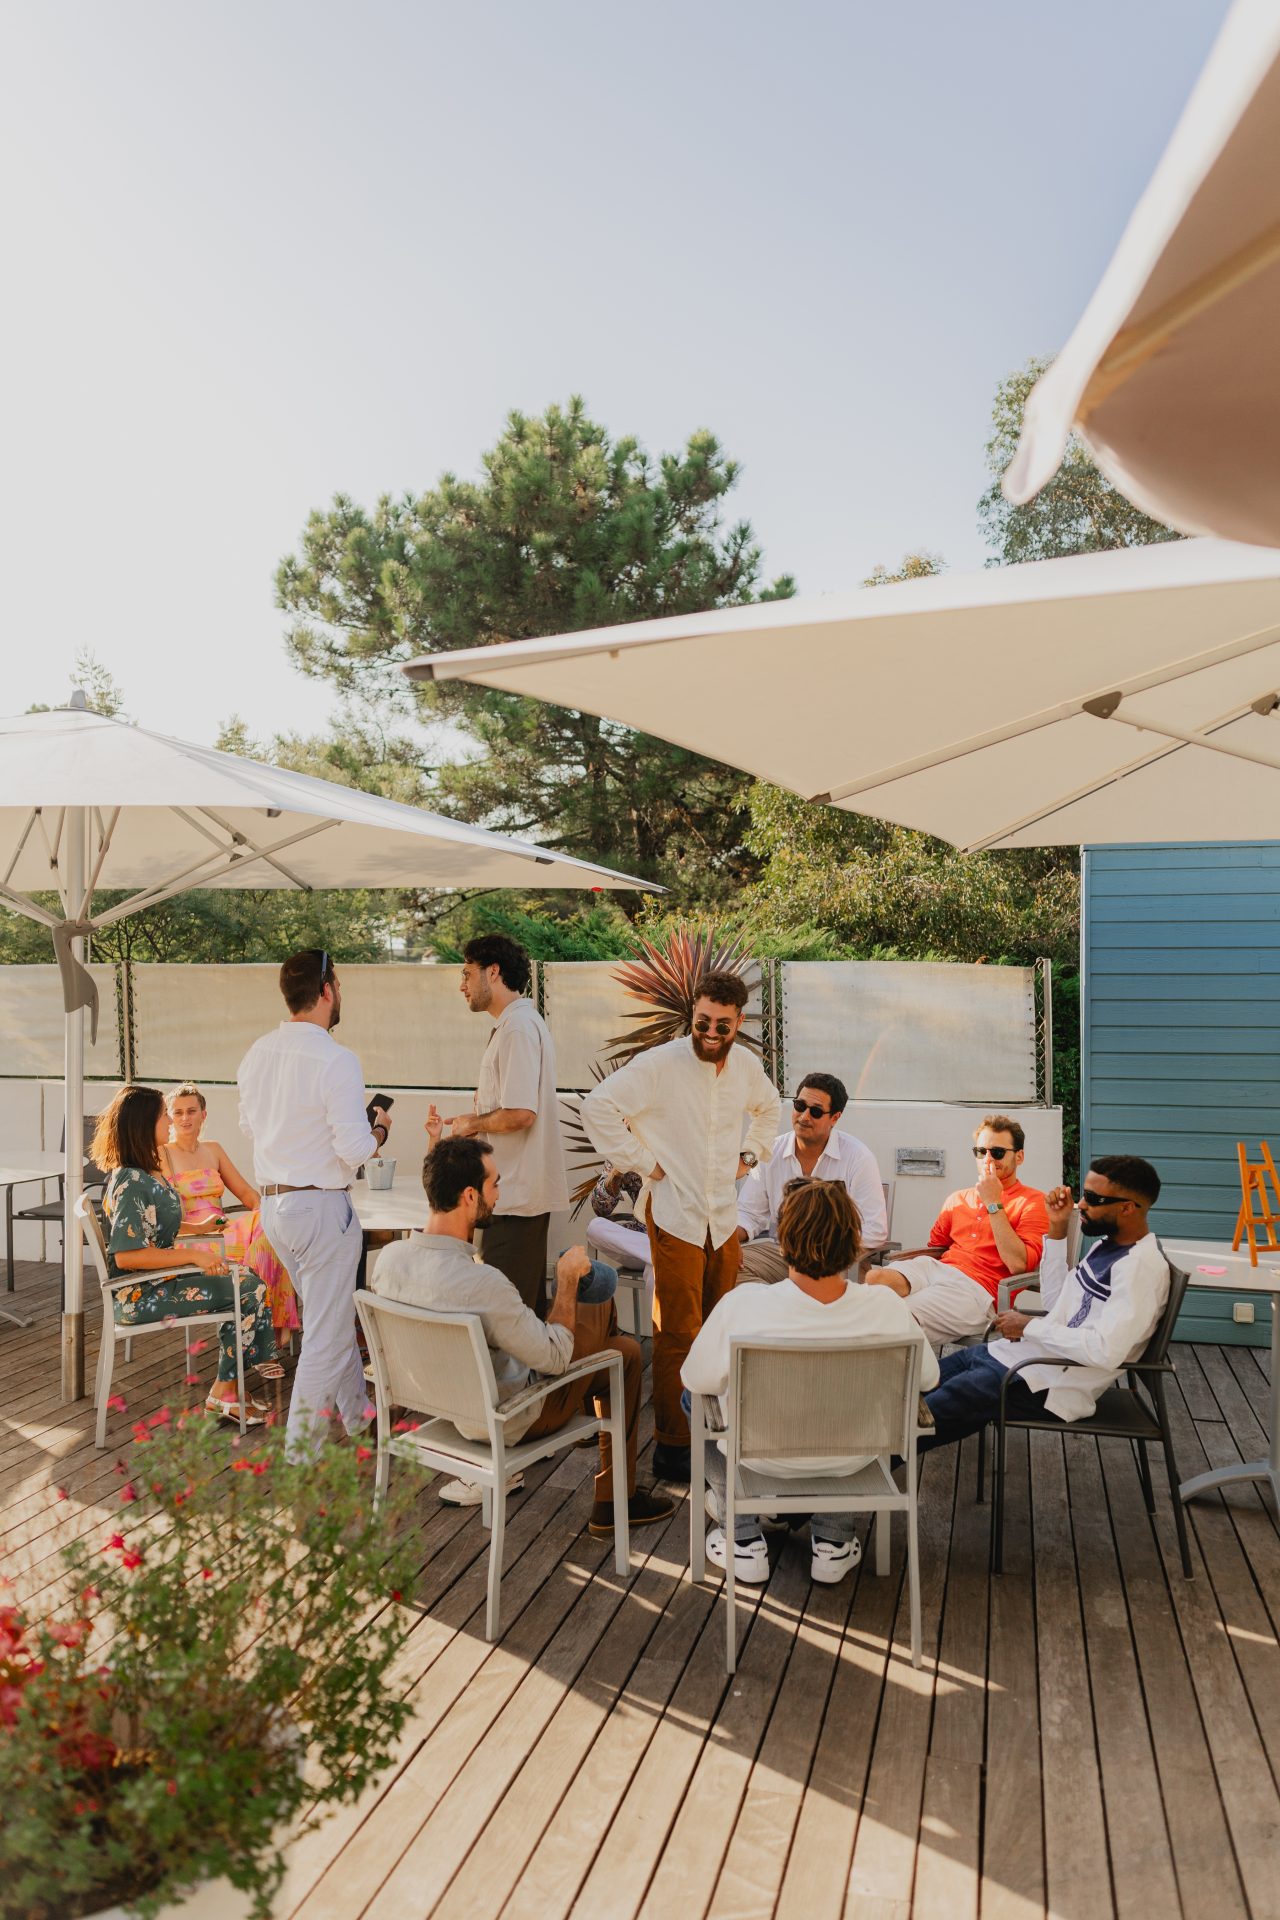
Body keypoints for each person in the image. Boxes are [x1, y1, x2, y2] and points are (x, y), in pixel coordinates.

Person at [371, 1135, 675, 1533]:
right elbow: (553, 1357)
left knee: (617, 1342)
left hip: (448, 1408)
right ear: (468, 1196)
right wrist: (565, 1282)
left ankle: (600, 1437)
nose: (499, 1193)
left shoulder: (388, 1263)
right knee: (613, 1329)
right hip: (510, 1419)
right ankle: (614, 1501)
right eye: (494, 1183)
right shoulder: (483, 1284)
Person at [683, 1179, 938, 1586]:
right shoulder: (886, 1307)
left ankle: (742, 1536)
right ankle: (835, 1538)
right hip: (853, 1459)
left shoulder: (745, 1305)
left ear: (783, 1243)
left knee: (693, 1399)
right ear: (854, 1245)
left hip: (760, 1458)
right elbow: (929, 1377)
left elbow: (696, 1378)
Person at [580, 970, 782, 1482]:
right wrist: (643, 1162)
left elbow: (769, 1108)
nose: (711, 1034)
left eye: (723, 1026)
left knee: (719, 1326)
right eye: (703, 1023)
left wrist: (749, 1155)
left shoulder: (746, 1068)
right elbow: (597, 1107)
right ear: (692, 1015)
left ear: (738, 1023)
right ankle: (673, 1447)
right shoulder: (659, 1064)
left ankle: (714, 1431)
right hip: (675, 1218)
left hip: (723, 1219)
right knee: (676, 1334)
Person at [237, 949, 392, 1457]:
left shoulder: (256, 1053)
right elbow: (353, 1149)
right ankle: (298, 1454)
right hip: (322, 1210)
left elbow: (249, 1127)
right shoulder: (336, 1058)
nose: (340, 994)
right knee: (324, 1335)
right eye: (340, 986)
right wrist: (380, 1131)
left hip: (275, 1209)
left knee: (330, 1318)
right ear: (326, 990)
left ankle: (362, 1420)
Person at [919, 1156, 1169, 1449]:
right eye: (1083, 1194)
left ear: (1128, 1208)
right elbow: (1056, 1303)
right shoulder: (1108, 1247)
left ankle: (873, 1471)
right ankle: (871, 1457)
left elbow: (1105, 1351)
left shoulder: (1140, 1268)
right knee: (915, 1387)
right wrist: (1057, 1229)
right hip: (1018, 1359)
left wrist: (1029, 1327)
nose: (1081, 1205)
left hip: (1048, 1384)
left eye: (1092, 1198)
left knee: (928, 1415)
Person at [93, 1083, 280, 1425]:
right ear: (143, 1123)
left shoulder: (146, 1172)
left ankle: (231, 1388)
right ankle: (224, 1393)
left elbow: (156, 1229)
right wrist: (194, 1257)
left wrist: (195, 1232)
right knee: (248, 1290)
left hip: (160, 1280)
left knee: (244, 1277)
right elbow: (127, 1257)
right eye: (164, 1114)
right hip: (140, 1293)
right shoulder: (131, 1181)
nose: (170, 1120)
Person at [434, 933, 568, 1321]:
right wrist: (473, 1124)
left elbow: (522, 1113)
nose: (462, 984)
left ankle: (516, 1385)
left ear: (493, 972)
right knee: (518, 1310)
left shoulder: (517, 1029)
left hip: (514, 1199)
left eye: (467, 973)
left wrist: (471, 1124)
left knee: (506, 1319)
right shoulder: (515, 1025)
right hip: (509, 1196)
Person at [867, 1115, 1049, 1346]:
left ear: (1019, 1156)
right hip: (937, 1269)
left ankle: (903, 1373)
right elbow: (935, 1248)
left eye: (998, 1152)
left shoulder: (1033, 1202)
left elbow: (1018, 1264)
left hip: (977, 1290)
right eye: (981, 1151)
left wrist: (993, 1202)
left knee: (897, 1317)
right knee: (875, 1279)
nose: (988, 1159)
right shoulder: (958, 1199)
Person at [163, 1082, 299, 1341]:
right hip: (191, 1239)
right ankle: (269, 1325)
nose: (184, 1118)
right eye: (178, 1112)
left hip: (223, 1231)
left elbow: (248, 1195)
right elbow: (168, 1215)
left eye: (191, 1111)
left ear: (203, 1115)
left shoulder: (212, 1149)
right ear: (170, 1117)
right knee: (270, 1239)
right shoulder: (163, 1154)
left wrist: (266, 1215)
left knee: (269, 1225)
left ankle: (260, 1322)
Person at [736, 1071, 887, 1282]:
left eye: (815, 1112)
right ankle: (781, 1308)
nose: (804, 1117)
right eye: (799, 1106)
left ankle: (780, 1306)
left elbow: (875, 1229)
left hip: (835, 1259)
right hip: (782, 1255)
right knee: (729, 1266)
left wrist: (824, 1250)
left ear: (835, 1117)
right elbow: (748, 1213)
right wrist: (726, 1242)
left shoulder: (858, 1157)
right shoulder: (770, 1151)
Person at [585, 1163, 655, 1303]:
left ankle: (658, 1257)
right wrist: (616, 1173)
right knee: (595, 1227)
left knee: (654, 1271)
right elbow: (600, 1209)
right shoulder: (625, 1147)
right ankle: (657, 1255)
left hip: (675, 1237)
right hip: (640, 1242)